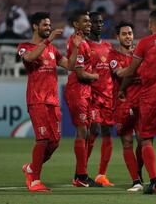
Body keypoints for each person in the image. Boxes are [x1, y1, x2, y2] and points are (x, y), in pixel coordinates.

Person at [117, 10, 156, 194]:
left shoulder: (145, 42)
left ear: (150, 24)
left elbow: (131, 70)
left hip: (150, 96)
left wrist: (120, 80)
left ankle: (154, 182)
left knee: (146, 139)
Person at [17, 12, 71, 192]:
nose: (49, 28)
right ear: (35, 26)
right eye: (45, 25)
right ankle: (34, 181)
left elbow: (69, 65)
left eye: (49, 25)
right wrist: (48, 41)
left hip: (53, 101)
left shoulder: (53, 50)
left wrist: (77, 47)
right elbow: (29, 58)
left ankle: (31, 168)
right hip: (37, 99)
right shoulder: (24, 46)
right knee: (42, 139)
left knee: (54, 142)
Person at [64, 10, 101, 187]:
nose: (89, 23)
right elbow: (79, 73)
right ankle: (81, 176)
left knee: (91, 129)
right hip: (77, 91)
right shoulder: (77, 42)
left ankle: (81, 173)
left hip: (85, 92)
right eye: (85, 21)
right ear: (76, 25)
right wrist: (95, 76)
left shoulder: (83, 42)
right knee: (83, 131)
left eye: (89, 21)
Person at [108, 21, 144, 192]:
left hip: (141, 102)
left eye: (130, 33)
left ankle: (139, 171)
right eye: (124, 34)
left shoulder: (139, 54)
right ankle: (136, 180)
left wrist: (137, 57)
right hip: (122, 102)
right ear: (117, 37)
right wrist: (136, 61)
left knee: (143, 141)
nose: (128, 36)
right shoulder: (113, 56)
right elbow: (120, 74)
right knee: (127, 142)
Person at [86, 12, 115, 186]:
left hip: (109, 96)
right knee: (94, 129)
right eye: (96, 22)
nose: (99, 25)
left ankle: (101, 175)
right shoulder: (85, 46)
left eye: (101, 22)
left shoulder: (108, 46)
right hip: (93, 96)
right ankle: (81, 171)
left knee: (106, 133)